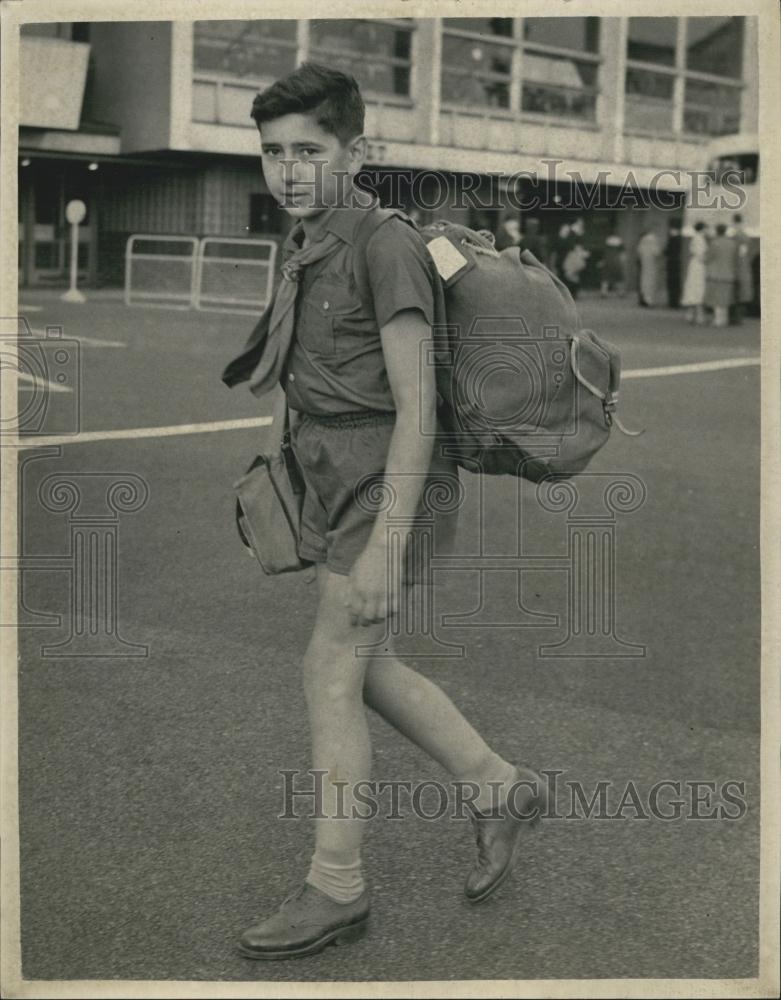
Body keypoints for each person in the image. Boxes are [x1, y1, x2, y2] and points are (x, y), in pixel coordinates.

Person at [223, 62, 547, 962]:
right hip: (330, 472)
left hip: (387, 481)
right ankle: (497, 786)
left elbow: (418, 408)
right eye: (272, 152)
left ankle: (337, 885)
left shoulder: (382, 242)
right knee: (368, 663)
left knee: (329, 666)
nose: (286, 169)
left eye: (307, 150)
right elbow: (301, 372)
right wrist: (284, 474)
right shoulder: (306, 237)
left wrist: (385, 544)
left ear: (355, 151)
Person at [704, 222, 738, 328]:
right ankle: (724, 319)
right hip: (729, 274)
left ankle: (718, 320)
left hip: (716, 275)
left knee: (716, 299)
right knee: (726, 298)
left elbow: (708, 258)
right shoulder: (733, 244)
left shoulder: (714, 243)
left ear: (717, 231)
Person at [680, 221, 708, 325]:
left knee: (692, 287)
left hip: (694, 265)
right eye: (706, 228)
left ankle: (690, 314)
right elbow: (700, 255)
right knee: (698, 288)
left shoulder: (695, 238)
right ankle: (699, 316)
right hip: (698, 266)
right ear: (702, 229)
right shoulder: (700, 239)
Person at [730, 214, 754, 324]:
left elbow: (741, 254)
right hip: (742, 268)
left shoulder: (738, 237)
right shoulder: (744, 236)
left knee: (736, 293)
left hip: (738, 268)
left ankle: (736, 318)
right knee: (740, 294)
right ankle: (737, 318)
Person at [636, 230, 661, 307]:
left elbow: (639, 252)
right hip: (652, 265)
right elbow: (657, 252)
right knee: (651, 282)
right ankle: (649, 300)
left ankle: (645, 299)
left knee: (644, 282)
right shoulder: (654, 241)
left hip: (644, 264)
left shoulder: (642, 242)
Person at [599, 232, 626, 298]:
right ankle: (621, 293)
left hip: (608, 262)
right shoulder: (620, 246)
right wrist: (622, 263)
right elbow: (623, 256)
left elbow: (604, 255)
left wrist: (602, 262)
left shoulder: (607, 246)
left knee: (606, 278)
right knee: (619, 278)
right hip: (617, 263)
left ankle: (603, 293)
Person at [665, 223, 683, 309]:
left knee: (671, 283)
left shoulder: (672, 240)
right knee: (676, 284)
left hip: (672, 263)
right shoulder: (680, 240)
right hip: (677, 262)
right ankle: (675, 302)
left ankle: (672, 302)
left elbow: (666, 251)